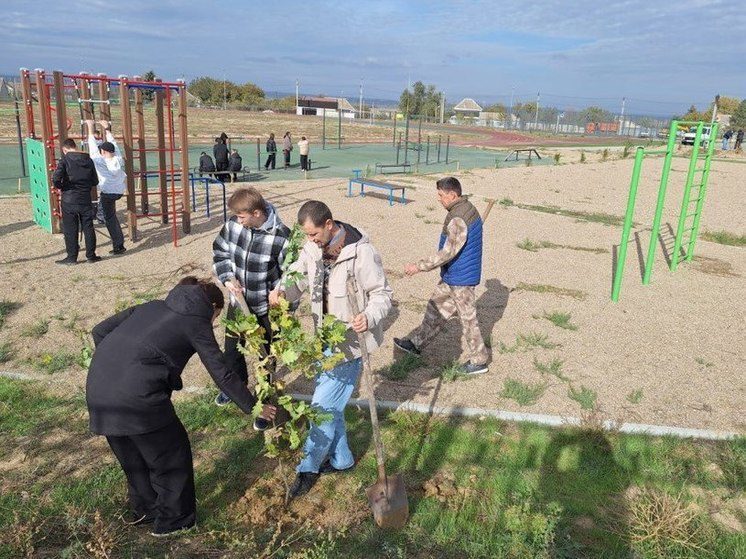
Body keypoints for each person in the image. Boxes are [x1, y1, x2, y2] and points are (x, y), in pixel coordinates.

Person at [86, 277, 276, 537]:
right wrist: (254, 407)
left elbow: (99, 330)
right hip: (138, 398)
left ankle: (145, 511)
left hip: (99, 391)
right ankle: (174, 521)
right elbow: (222, 372)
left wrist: (117, 365)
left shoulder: (150, 307)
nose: (212, 323)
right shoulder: (195, 320)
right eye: (216, 316)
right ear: (210, 306)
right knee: (171, 455)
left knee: (133, 455)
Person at [269, 200, 393, 499]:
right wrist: (283, 290)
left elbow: (382, 293)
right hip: (322, 340)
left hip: (349, 345)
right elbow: (298, 275)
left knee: (322, 410)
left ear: (329, 224)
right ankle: (342, 459)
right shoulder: (312, 248)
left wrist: (370, 316)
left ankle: (308, 467)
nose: (310, 240)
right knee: (331, 406)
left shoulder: (360, 253)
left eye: (313, 234)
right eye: (306, 236)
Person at [394, 177, 489, 375]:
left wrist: (418, 267)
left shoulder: (459, 218)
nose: (439, 199)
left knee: (468, 319)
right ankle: (416, 344)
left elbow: (447, 252)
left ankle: (479, 361)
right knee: (436, 307)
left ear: (453, 195)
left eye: (441, 195)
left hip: (461, 278)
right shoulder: (466, 208)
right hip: (453, 274)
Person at [212, 187, 291, 420]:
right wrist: (227, 278)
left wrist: (279, 293)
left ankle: (265, 402)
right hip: (238, 304)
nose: (238, 220)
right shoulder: (232, 226)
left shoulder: (281, 236)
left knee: (265, 356)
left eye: (242, 216)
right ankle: (238, 390)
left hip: (266, 310)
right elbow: (220, 252)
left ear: (257, 213)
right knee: (232, 351)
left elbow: (291, 273)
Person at [51, 137, 100, 265]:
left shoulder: (65, 160)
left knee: (70, 228)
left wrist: (62, 187)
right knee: (88, 226)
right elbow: (95, 181)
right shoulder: (88, 160)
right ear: (75, 146)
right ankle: (91, 255)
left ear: (64, 149)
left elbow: (56, 178)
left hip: (69, 199)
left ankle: (72, 257)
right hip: (85, 198)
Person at [87, 119, 126, 255]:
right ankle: (118, 243)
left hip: (108, 192)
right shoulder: (118, 159)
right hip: (119, 191)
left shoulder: (100, 161)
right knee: (110, 215)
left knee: (108, 218)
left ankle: (118, 245)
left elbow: (92, 149)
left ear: (103, 152)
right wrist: (107, 130)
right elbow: (114, 145)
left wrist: (90, 127)